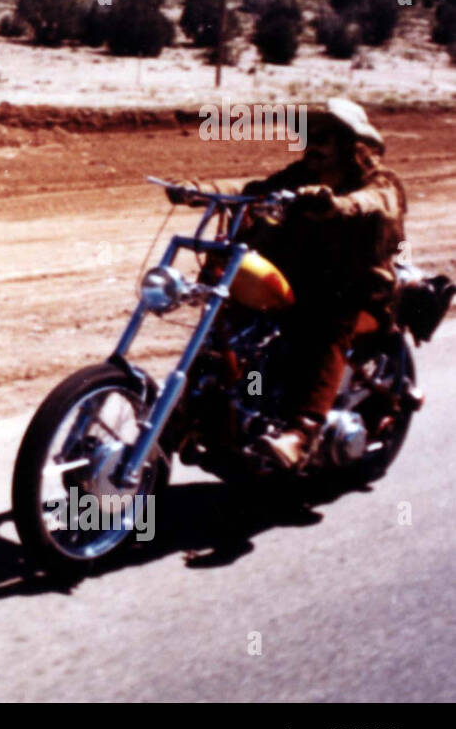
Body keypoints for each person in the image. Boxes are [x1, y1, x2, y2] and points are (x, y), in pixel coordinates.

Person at [167, 98, 407, 470]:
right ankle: (204, 410)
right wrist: (199, 189)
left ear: (350, 143)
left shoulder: (380, 183)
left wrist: (334, 205)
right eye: (308, 136)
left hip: (357, 292)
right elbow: (253, 188)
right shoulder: (299, 177)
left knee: (327, 323)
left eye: (324, 137)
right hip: (300, 285)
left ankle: (301, 433)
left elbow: (370, 203)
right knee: (231, 325)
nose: (313, 145)